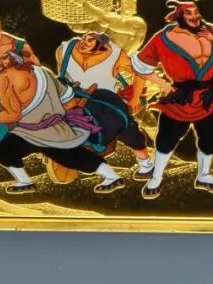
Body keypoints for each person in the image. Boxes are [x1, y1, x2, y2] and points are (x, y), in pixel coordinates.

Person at [129, 0, 213, 200]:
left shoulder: (210, 30)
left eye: (196, 12)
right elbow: (140, 66)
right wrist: (164, 85)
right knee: (166, 139)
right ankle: (156, 177)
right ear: (179, 16)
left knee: (209, 139)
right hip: (179, 97)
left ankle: (204, 175)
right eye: (189, 13)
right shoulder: (163, 38)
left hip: (210, 95)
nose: (195, 16)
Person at [0, 53, 128, 195]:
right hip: (56, 127)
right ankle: (111, 176)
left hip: (30, 131)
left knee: (4, 152)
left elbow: (14, 114)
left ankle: (25, 182)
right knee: (72, 156)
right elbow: (70, 101)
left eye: (0, 58)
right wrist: (53, 112)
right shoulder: (42, 72)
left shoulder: (2, 80)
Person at [55, 31, 149, 178]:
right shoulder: (64, 50)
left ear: (100, 46)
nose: (83, 43)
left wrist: (135, 98)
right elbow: (62, 76)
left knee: (126, 131)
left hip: (107, 103)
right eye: (83, 39)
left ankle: (146, 163)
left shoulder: (116, 55)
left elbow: (140, 72)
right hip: (75, 99)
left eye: (90, 41)